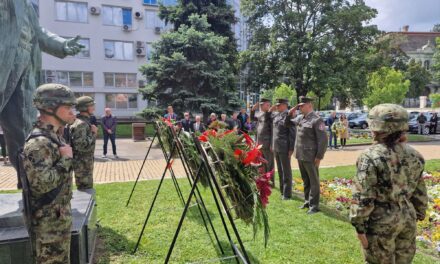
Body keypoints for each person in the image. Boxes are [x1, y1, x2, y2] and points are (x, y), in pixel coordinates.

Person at [0, 0, 83, 186]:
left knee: (22, 127)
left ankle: (32, 183)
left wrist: (62, 44)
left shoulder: (27, 5)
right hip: (3, 58)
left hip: (24, 65)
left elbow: (38, 32)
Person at [350, 104, 428, 263]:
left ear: (376, 127)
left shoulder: (370, 156)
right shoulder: (415, 155)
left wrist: (359, 226)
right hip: (407, 218)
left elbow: (363, 196)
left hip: (381, 221)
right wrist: (419, 212)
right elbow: (420, 192)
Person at [22, 83, 76, 263]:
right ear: (50, 108)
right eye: (67, 107)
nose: (71, 112)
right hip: (47, 227)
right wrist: (66, 159)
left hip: (56, 220)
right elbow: (42, 184)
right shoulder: (39, 143)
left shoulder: (53, 136)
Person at [289, 96, 328, 214]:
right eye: (299, 106)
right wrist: (291, 111)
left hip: (311, 156)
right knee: (306, 180)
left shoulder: (316, 120)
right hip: (301, 154)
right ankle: (307, 201)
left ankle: (314, 206)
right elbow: (287, 123)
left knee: (313, 181)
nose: (300, 107)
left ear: (309, 105)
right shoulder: (301, 118)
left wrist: (319, 156)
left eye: (302, 105)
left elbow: (323, 140)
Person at [69, 96, 98, 189]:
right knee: (85, 189)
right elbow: (81, 146)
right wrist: (94, 133)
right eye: (91, 105)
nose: (94, 107)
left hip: (84, 163)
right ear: (85, 107)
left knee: (86, 189)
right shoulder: (81, 124)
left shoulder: (82, 121)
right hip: (82, 164)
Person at [271, 98, 296, 199]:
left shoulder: (289, 116)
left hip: (285, 147)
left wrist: (291, 149)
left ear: (285, 105)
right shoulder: (277, 115)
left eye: (279, 105)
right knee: (280, 170)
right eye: (276, 105)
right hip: (277, 147)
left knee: (286, 171)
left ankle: (287, 194)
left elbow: (292, 133)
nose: (276, 107)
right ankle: (282, 190)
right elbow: (275, 132)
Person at [251, 98, 274, 184]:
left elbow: (273, 131)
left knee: (269, 163)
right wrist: (253, 110)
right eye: (266, 105)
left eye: (268, 105)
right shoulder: (260, 114)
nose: (268, 106)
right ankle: (264, 180)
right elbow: (252, 118)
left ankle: (271, 181)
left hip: (268, 144)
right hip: (260, 143)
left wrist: (272, 144)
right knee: (262, 163)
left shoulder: (270, 116)